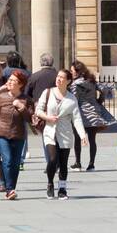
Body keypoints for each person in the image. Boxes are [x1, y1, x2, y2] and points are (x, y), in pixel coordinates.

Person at [36, 67, 86, 199]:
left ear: (68, 81)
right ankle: (50, 183)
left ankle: (62, 188)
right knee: (52, 159)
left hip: (65, 133)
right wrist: (47, 117)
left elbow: (77, 119)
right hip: (50, 131)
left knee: (63, 162)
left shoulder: (71, 99)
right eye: (58, 76)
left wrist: (82, 135)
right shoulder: (47, 92)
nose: (58, 79)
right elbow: (38, 110)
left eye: (62, 77)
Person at [0, 70, 31, 199]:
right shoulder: (1, 97)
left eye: (12, 81)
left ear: (20, 84)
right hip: (2, 134)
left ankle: (11, 187)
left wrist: (21, 107)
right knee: (8, 160)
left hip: (19, 135)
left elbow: (30, 118)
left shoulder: (26, 99)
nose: (9, 82)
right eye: (9, 80)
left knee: (16, 163)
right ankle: (9, 189)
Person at [70, 61, 117, 171]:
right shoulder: (91, 81)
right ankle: (91, 164)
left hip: (81, 113)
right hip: (94, 111)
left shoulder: (75, 84)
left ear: (78, 72)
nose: (71, 73)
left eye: (72, 71)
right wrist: (100, 100)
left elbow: (74, 99)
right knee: (92, 139)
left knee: (77, 138)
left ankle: (78, 163)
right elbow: (105, 89)